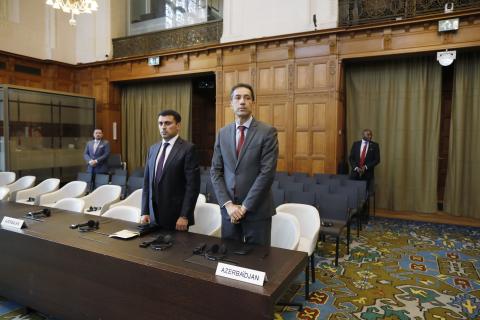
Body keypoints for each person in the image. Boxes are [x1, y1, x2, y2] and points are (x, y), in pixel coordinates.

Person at [210, 83, 279, 246]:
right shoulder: (222, 133)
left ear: (253, 103)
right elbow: (216, 171)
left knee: (257, 262)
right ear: (231, 103)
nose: (242, 102)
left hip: (257, 211)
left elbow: (267, 173)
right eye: (237, 98)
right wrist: (228, 205)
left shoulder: (267, 132)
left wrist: (244, 207)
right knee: (230, 258)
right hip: (229, 211)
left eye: (247, 98)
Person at [141, 110, 200, 231]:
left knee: (175, 249)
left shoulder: (188, 149)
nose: (163, 127)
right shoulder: (152, 149)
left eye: (167, 123)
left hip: (176, 217)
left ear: (178, 126)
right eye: (160, 123)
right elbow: (147, 183)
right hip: (152, 216)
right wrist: (145, 211)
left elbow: (192, 187)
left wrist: (184, 215)